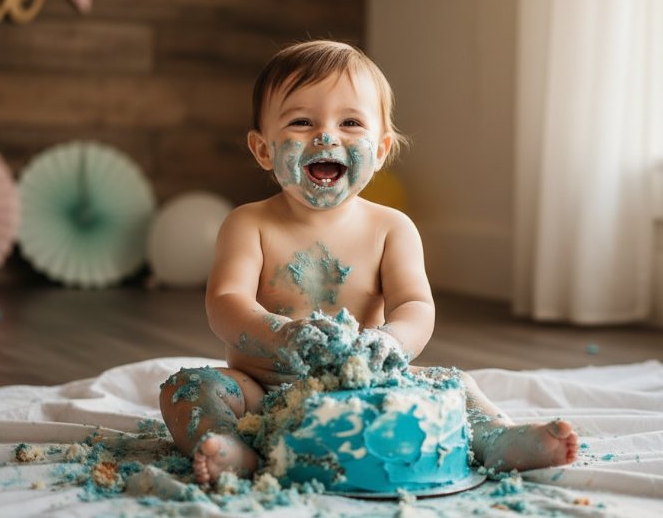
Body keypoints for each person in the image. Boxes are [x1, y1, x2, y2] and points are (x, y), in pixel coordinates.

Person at [159, 40, 578, 486]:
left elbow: (416, 306)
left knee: (455, 382)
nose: (326, 136)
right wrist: (281, 335)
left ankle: (494, 438)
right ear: (263, 150)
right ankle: (232, 445)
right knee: (186, 389)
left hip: (371, 387)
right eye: (301, 122)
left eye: (350, 123)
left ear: (380, 150)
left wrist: (391, 343)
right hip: (261, 392)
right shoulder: (248, 224)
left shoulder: (391, 228)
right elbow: (225, 303)